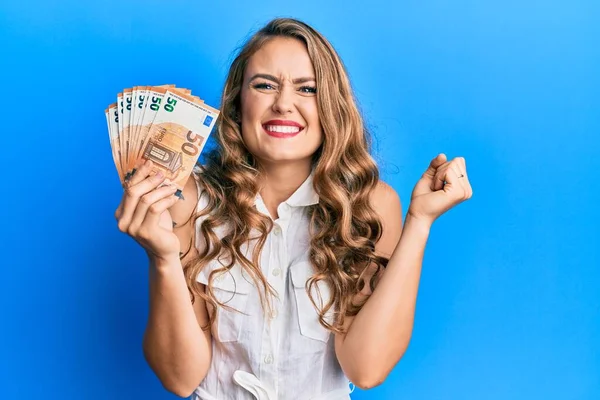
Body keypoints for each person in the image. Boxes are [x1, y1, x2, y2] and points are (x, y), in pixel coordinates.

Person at [114, 17, 473, 400]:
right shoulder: (188, 198)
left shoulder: (370, 204)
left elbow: (366, 369)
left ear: (330, 106)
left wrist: (419, 222)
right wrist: (164, 259)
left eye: (307, 89)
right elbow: (180, 378)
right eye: (264, 85)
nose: (284, 103)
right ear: (238, 103)